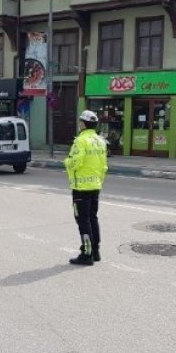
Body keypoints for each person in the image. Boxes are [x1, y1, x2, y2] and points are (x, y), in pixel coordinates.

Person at [65, 110, 108, 266]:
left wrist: (67, 162)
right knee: (92, 218)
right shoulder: (100, 141)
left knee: (83, 221)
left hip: (81, 187)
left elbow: (75, 161)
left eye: (79, 122)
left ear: (83, 123)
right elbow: (104, 166)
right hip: (95, 185)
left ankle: (86, 254)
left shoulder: (81, 141)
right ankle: (95, 251)